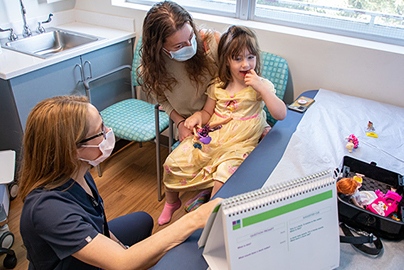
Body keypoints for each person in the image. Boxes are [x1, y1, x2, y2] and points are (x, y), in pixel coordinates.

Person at [18, 95, 221, 270]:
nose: (109, 132)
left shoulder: (78, 169)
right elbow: (121, 262)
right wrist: (195, 219)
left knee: (142, 221)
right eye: (100, 131)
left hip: (90, 243)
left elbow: (103, 229)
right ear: (72, 150)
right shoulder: (47, 210)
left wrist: (122, 249)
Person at [157, 25, 287, 225]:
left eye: (250, 57)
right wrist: (196, 118)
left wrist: (262, 88)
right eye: (238, 58)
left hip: (239, 144)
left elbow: (281, 113)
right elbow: (207, 112)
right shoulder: (218, 85)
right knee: (172, 163)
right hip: (214, 137)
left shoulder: (260, 87)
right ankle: (172, 202)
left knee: (223, 177)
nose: (245, 64)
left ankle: (207, 217)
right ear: (226, 60)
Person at [139, 0, 220, 142]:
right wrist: (180, 123)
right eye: (179, 46)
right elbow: (163, 101)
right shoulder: (151, 69)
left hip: (225, 117)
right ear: (159, 48)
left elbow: (238, 84)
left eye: (190, 37)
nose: (190, 46)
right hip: (192, 127)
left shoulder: (213, 43)